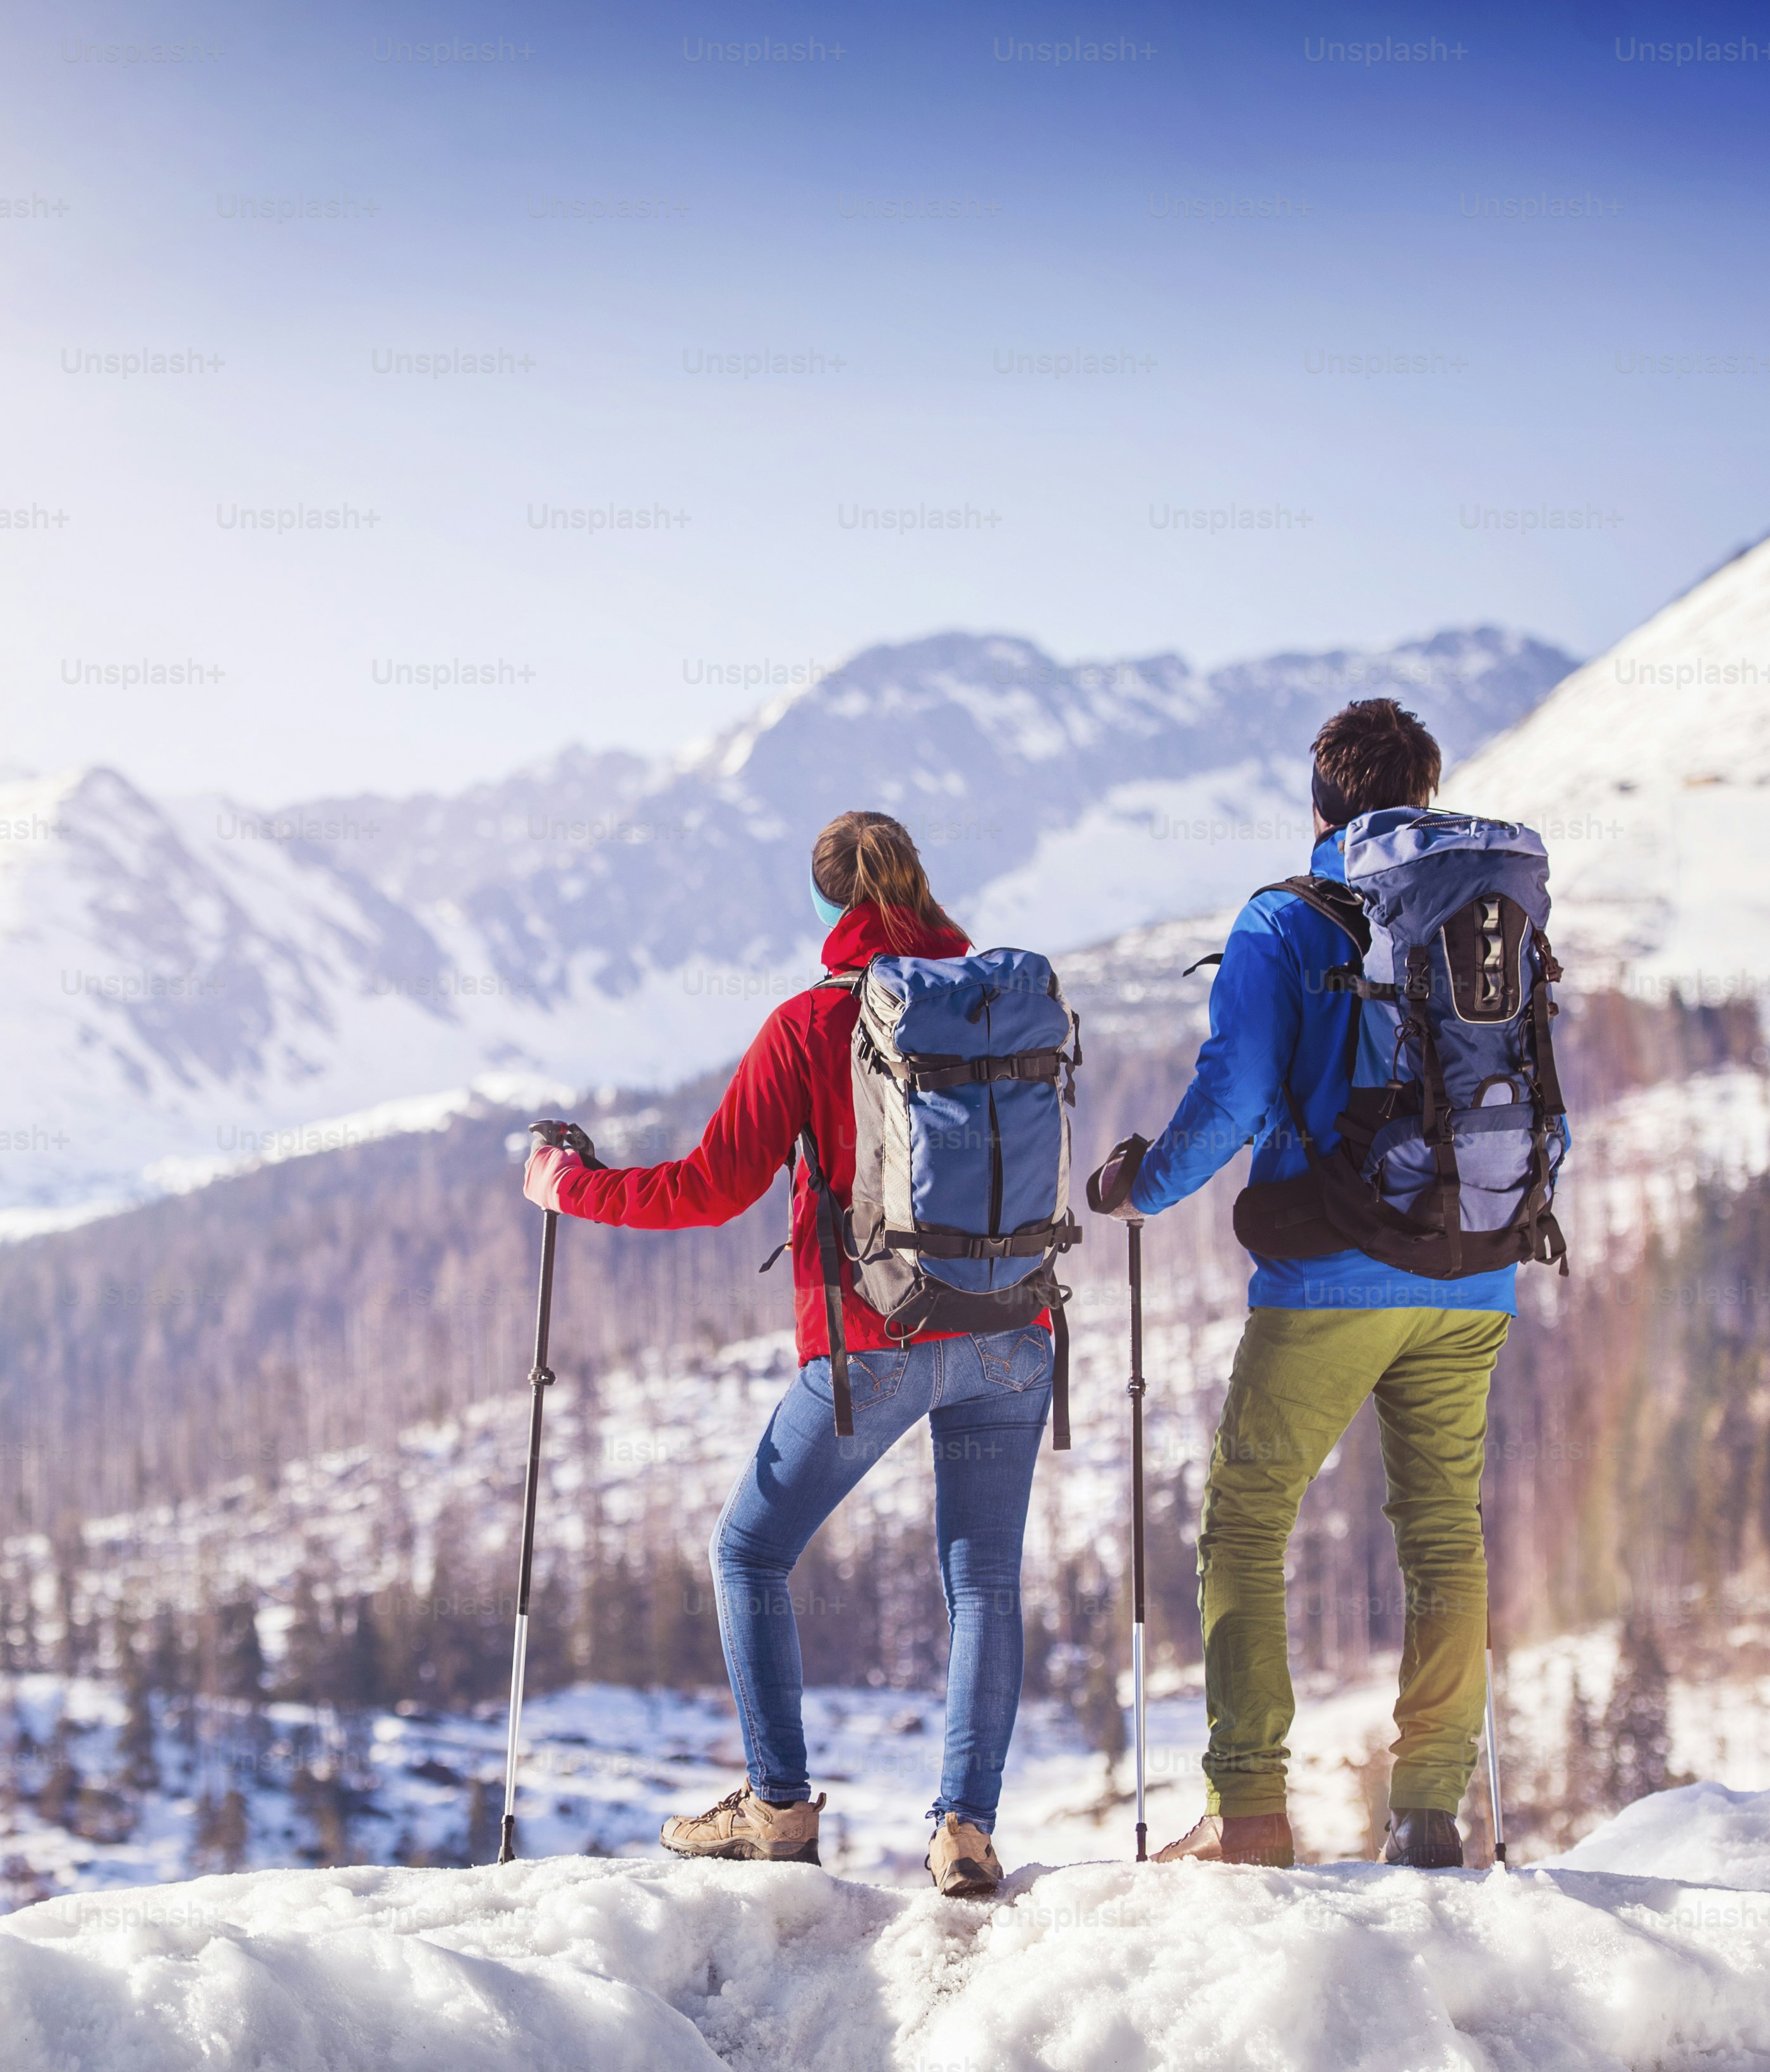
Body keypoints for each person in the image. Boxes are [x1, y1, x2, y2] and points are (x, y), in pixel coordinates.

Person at [519, 810, 1054, 1900]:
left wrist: (568, 1187)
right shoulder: (1004, 1005)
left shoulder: (813, 1025)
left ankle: (778, 1807)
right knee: (984, 1579)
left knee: (751, 1553)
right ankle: (965, 1833)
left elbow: (708, 1188)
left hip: (880, 1343)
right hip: (1015, 1332)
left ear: (826, 911)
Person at [1120, 698, 1519, 1870]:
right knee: (1443, 1531)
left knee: (1246, 1521)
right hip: (1474, 1267)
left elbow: (1236, 1093)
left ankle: (1248, 1812)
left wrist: (1143, 1186)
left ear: (1321, 807)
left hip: (1335, 1272)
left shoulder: (1283, 920)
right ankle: (1432, 1814)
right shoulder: (1485, 914)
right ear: (1427, 796)